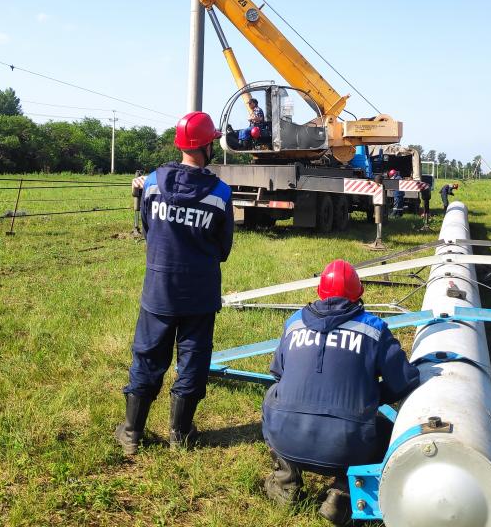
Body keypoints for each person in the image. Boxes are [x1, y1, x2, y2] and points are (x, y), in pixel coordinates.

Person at [262, 260, 420, 525]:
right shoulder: (373, 329)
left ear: (320, 293)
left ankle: (285, 482)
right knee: (390, 432)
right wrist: (369, 397)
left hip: (286, 439)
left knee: (272, 397)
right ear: (358, 295)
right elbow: (404, 381)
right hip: (348, 447)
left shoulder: (294, 324)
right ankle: (343, 495)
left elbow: (278, 374)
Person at [115, 111, 234, 455]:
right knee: (193, 359)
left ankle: (132, 433)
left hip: (159, 289)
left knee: (148, 356)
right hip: (200, 291)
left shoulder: (152, 183)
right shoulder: (220, 193)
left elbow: (148, 230)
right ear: (208, 145)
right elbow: (223, 247)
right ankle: (180, 435)